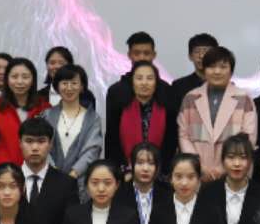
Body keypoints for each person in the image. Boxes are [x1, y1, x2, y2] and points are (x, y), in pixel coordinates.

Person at [177, 46, 258, 180]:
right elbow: (183, 135)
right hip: (197, 173)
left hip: (234, 171)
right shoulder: (190, 98)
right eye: (211, 67)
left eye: (223, 67)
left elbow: (249, 137)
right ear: (204, 70)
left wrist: (223, 168)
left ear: (231, 71)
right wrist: (199, 166)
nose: (217, 71)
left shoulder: (244, 98)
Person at [102, 32, 174, 161]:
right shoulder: (116, 91)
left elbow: (171, 136)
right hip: (124, 165)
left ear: (154, 55)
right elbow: (112, 135)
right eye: (137, 53)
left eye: (146, 53)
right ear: (129, 55)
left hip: (160, 165)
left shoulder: (166, 90)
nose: (142, 57)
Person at [43, 64, 104, 191]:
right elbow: (42, 145)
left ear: (82, 87)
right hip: (50, 181)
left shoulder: (93, 119)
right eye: (64, 83)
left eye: (74, 83)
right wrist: (54, 173)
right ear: (57, 86)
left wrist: (72, 175)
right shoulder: (46, 115)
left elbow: (92, 150)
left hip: (81, 183)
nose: (69, 88)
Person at [0, 56, 51, 175]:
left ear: (33, 80)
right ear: (7, 79)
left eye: (25, 77)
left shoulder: (44, 107)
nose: (20, 82)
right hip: (2, 173)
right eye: (14, 77)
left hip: (35, 172)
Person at [168, 33, 217, 107]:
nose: (201, 56)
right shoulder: (178, 86)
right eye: (197, 51)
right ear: (190, 56)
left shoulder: (225, 85)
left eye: (206, 51)